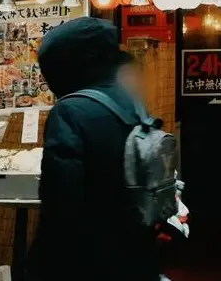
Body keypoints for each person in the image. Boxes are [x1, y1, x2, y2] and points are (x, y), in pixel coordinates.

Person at [27, 17, 160, 281]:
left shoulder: (70, 111)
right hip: (136, 252)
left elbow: (61, 201)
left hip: (88, 259)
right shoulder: (131, 102)